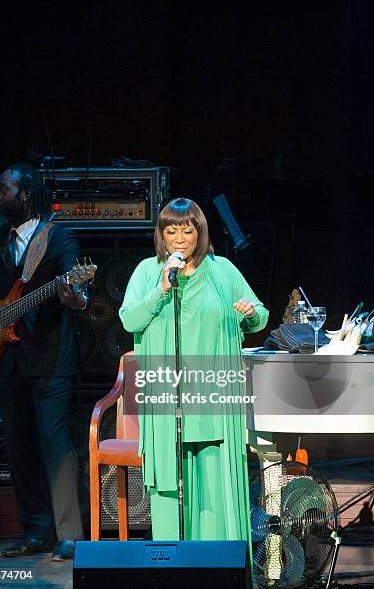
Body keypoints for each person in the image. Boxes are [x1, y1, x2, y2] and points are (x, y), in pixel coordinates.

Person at [119, 198, 269, 541]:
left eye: (187, 230)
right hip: (165, 396)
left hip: (213, 394)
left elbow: (260, 316)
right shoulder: (147, 272)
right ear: (162, 235)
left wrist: (250, 313)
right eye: (171, 231)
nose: (180, 239)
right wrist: (161, 289)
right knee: (170, 493)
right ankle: (172, 567)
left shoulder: (223, 270)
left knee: (215, 488)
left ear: (200, 233)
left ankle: (218, 566)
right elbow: (129, 320)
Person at [0, 163, 86, 561]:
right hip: (6, 358)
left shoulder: (58, 237)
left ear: (26, 195)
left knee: (55, 443)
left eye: (4, 191)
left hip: (50, 358)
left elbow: (74, 281)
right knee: (18, 445)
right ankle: (36, 529)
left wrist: (74, 294)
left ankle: (69, 533)